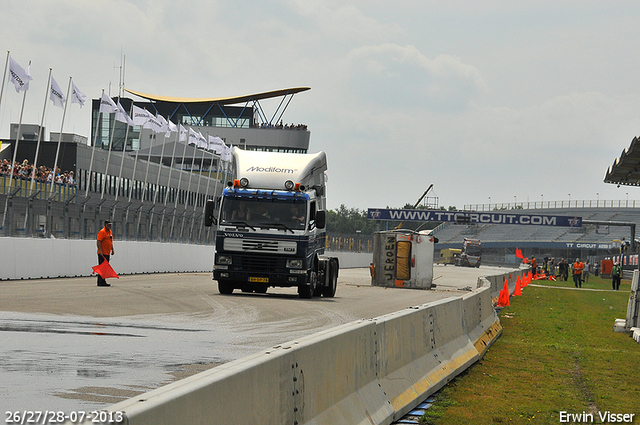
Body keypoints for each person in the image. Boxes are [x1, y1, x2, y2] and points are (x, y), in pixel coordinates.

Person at [96, 220, 115, 287]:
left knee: (105, 268)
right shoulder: (102, 232)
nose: (110, 226)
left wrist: (112, 249)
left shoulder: (110, 232)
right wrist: (100, 250)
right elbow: (98, 241)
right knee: (102, 267)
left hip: (107, 252)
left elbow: (110, 241)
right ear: (105, 225)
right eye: (108, 225)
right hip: (102, 253)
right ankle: (100, 282)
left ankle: (102, 281)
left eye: (110, 225)